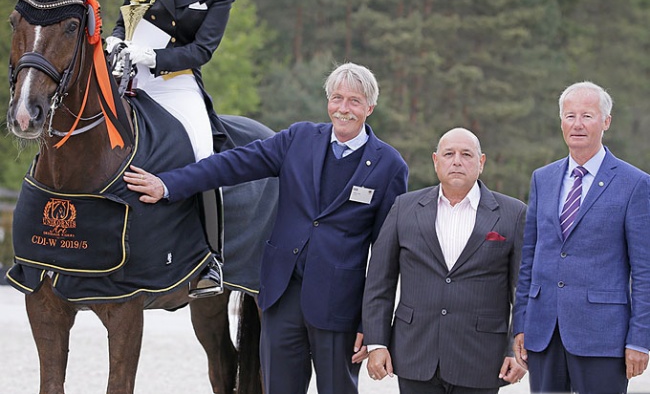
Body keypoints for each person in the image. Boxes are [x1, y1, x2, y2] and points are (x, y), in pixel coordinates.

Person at [123, 62, 409, 394]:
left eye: (354, 101)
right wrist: (167, 184)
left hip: (339, 307)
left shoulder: (389, 166)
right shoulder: (298, 139)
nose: (343, 109)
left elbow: (385, 259)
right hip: (280, 295)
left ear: (369, 107)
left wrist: (370, 327)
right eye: (337, 98)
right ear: (328, 100)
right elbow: (231, 164)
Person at [106, 0, 237, 297]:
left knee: (203, 157)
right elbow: (124, 17)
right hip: (128, 74)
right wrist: (114, 40)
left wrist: (154, 57)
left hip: (176, 82)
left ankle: (211, 258)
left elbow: (203, 50)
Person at [362, 127, 527, 393]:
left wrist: (516, 348)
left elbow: (522, 291)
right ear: (436, 161)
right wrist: (377, 343)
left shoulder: (513, 213)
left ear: (481, 162)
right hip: (415, 353)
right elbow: (379, 282)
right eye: (449, 154)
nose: (457, 161)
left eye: (466, 154)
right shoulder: (404, 208)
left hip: (481, 358)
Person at [512, 81, 650, 393]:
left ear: (606, 122)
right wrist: (520, 323)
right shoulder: (542, 178)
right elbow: (529, 259)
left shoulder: (635, 184)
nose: (577, 124)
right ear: (561, 121)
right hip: (544, 331)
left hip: (604, 336)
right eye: (569, 115)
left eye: (587, 116)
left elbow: (645, 271)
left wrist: (640, 339)